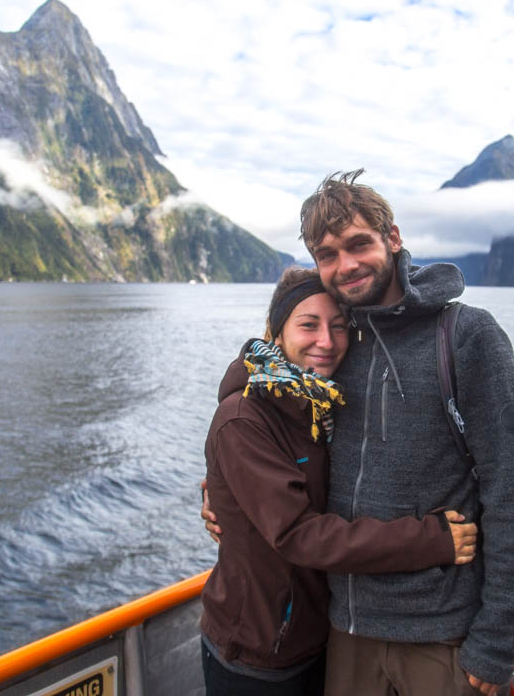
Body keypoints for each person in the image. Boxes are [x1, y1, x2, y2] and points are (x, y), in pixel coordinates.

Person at [205, 171, 514, 695]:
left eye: (359, 244)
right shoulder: (339, 347)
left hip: (440, 631)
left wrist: (497, 642)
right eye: (328, 254)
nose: (346, 265)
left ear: (393, 238)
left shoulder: (467, 336)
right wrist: (221, 498)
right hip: (345, 631)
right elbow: (279, 436)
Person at [200, 265, 479, 696]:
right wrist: (429, 541)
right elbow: (301, 533)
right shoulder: (244, 418)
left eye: (338, 326)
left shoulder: (321, 403)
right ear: (276, 333)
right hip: (258, 651)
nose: (326, 342)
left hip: (321, 635)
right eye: (308, 325)